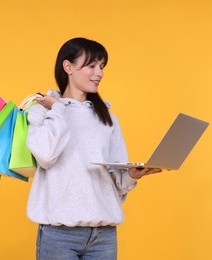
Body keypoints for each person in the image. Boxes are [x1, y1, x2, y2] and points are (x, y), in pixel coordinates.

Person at [26, 37, 162, 260]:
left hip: (104, 235)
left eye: (102, 66)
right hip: (60, 234)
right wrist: (58, 110)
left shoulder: (108, 118)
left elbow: (115, 185)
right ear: (68, 67)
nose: (99, 73)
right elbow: (45, 156)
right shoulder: (42, 110)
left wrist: (130, 175)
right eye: (91, 66)